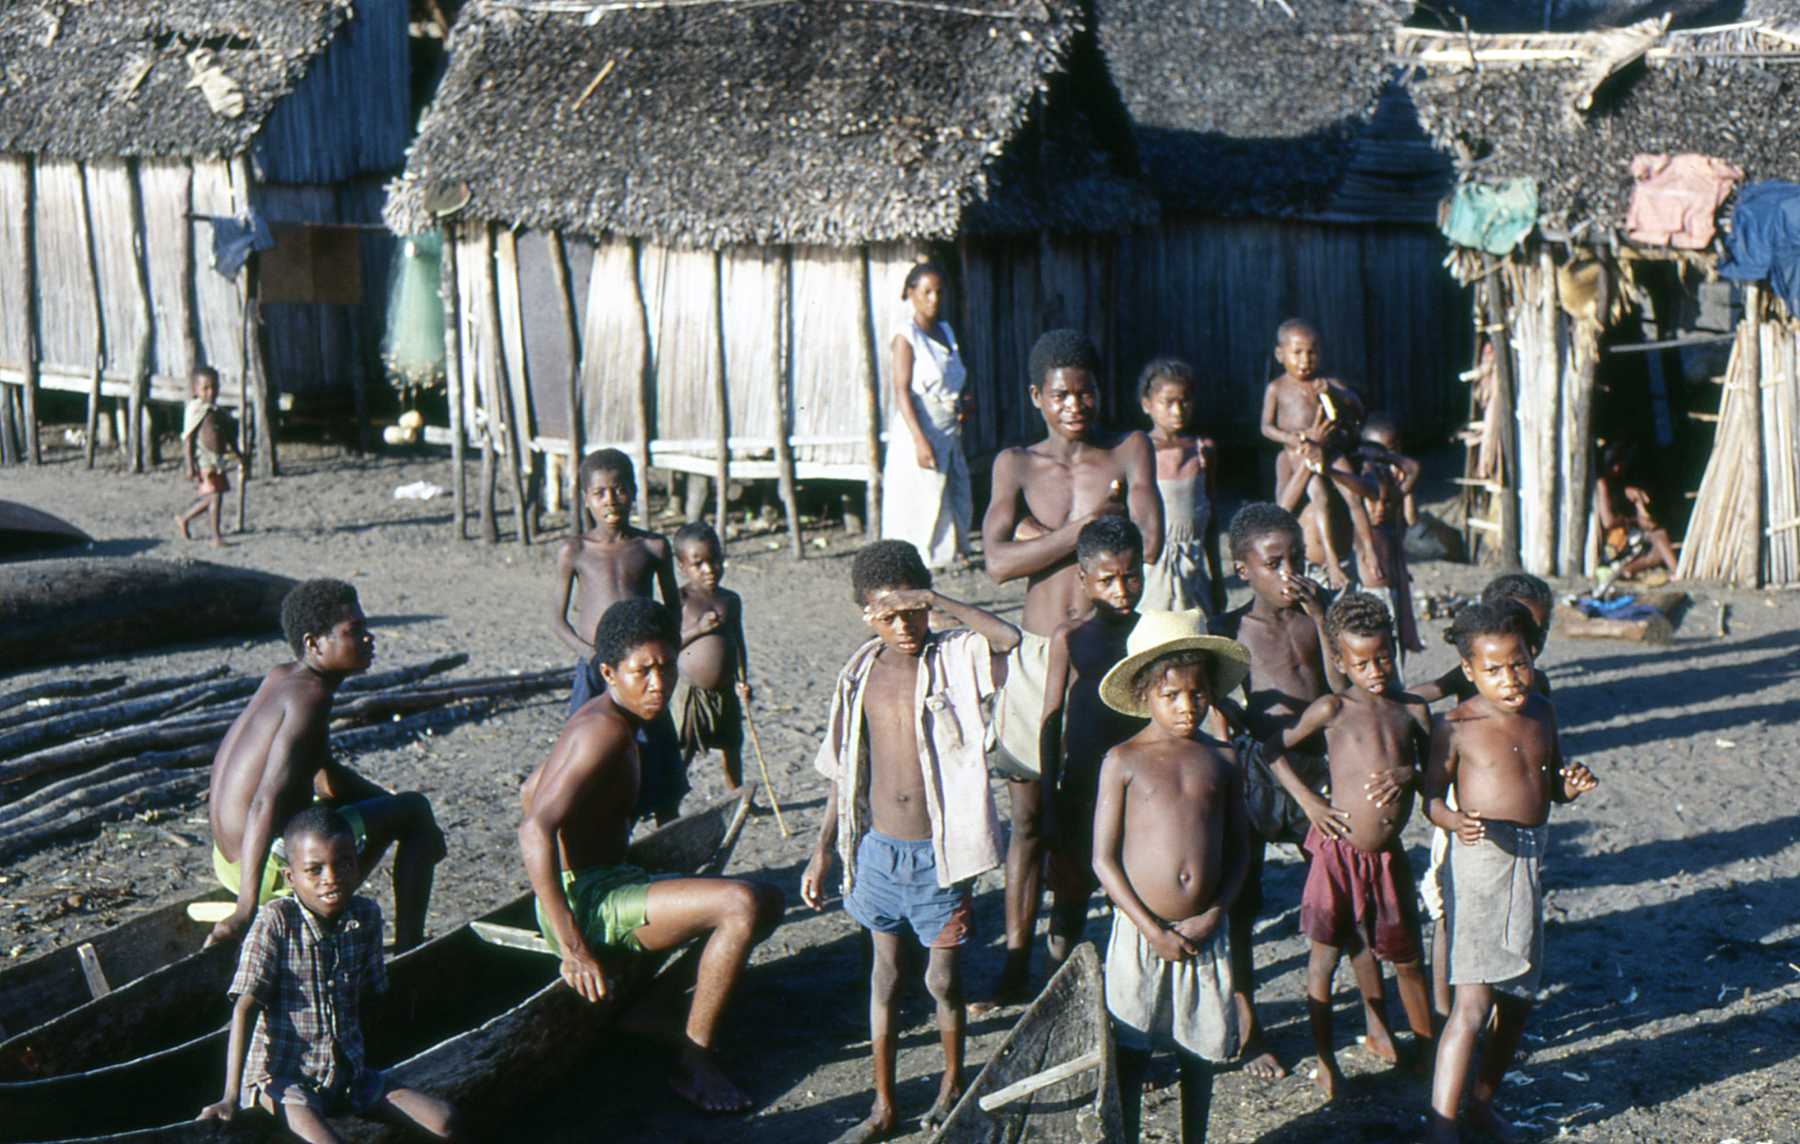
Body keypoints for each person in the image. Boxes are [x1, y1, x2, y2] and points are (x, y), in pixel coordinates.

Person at [519, 598, 785, 1114]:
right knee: (741, 905)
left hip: (605, 880)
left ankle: (653, 1011)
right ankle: (694, 1062)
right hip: (589, 904)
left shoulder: (600, 718)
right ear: (608, 673)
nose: (659, 684)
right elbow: (533, 828)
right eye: (643, 671)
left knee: (769, 901)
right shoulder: (603, 732)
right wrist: (573, 947)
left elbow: (532, 789)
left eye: (667, 667)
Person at [800, 541, 1020, 1142]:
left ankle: (951, 1083)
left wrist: (937, 598)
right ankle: (883, 1104)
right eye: (888, 614)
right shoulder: (859, 674)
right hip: (877, 852)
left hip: (940, 858)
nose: (904, 626)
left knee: (943, 982)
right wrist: (822, 849)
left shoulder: (954, 656)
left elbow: (1007, 639)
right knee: (886, 977)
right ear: (866, 614)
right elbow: (844, 771)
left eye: (913, 611)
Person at [979, 328, 1161, 1006]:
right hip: (1034, 658)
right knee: (1029, 820)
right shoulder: (1016, 465)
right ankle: (1014, 963)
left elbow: (1148, 540)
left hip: (1109, 655)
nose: (1074, 405)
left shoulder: (1128, 448)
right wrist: (1084, 530)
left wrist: (1040, 540)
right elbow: (997, 564)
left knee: (1094, 814)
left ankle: (1074, 959)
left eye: (1085, 392)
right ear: (1037, 397)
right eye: (1060, 395)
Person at [1424, 600, 1597, 1143]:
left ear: (1533, 656)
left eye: (1518, 663)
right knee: (1473, 1004)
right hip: (1480, 864)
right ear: (1469, 670)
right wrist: (1453, 820)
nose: (1510, 679)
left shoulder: (1543, 710)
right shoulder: (1456, 726)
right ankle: (1441, 1127)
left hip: (1529, 860)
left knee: (1519, 998)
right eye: (1494, 669)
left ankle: (1480, 1103)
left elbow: (1550, 782)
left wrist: (1569, 786)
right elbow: (1430, 798)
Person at [206, 579, 445, 952]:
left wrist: (388, 805)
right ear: (314, 643)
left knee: (402, 811)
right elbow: (265, 801)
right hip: (264, 866)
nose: (369, 638)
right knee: (414, 810)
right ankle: (410, 949)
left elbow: (326, 776)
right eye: (354, 630)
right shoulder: (311, 699)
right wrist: (245, 909)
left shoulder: (282, 676)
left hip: (227, 858)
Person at [198, 807, 459, 1141]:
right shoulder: (276, 922)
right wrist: (230, 1097)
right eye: (314, 870)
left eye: (344, 864)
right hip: (284, 1081)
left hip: (348, 1076)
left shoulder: (365, 916)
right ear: (291, 877)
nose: (331, 878)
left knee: (446, 1120)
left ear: (357, 865)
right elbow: (244, 1008)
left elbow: (372, 997)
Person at [1089, 610, 1251, 1143]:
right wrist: (1151, 929)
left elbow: (1241, 850)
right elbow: (1103, 860)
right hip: (1141, 933)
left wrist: (1214, 914)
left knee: (1199, 1051)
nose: (1187, 706)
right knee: (1131, 1047)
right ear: (1144, 694)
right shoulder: (1124, 760)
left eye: (1198, 694)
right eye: (1171, 695)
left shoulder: (1222, 758)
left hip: (1205, 932)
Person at [1263, 593, 1434, 1098]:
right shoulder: (1333, 709)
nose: (1375, 671)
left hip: (1387, 856)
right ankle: (1326, 1063)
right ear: (1340, 662)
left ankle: (1428, 1054)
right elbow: (1272, 749)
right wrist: (1309, 802)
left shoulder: (1412, 711)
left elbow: (1437, 774)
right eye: (1361, 663)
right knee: (1325, 958)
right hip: (1336, 853)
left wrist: (1410, 772)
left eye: (1383, 658)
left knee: (1407, 957)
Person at [1209, 503, 1345, 1079]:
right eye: (1274, 563)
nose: (1291, 573)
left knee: (1343, 890)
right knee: (1242, 903)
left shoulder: (1321, 613)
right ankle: (1249, 1026)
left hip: (1321, 768)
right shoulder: (1229, 633)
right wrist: (1303, 797)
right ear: (1244, 570)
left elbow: (1343, 691)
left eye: (1298, 559)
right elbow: (1243, 728)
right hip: (1260, 775)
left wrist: (1321, 619)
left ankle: (1364, 1015)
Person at [1413, 573, 1555, 1017]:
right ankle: (1445, 1010)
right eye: (1520, 622)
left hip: (1522, 837)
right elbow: (1422, 698)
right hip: (1468, 819)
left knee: (1513, 929)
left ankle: (1486, 1014)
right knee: (1449, 913)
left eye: (1535, 633)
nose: (1509, 675)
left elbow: (1547, 765)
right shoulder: (1465, 700)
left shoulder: (1537, 692)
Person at [551, 448, 687, 822]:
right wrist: (593, 657)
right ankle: (592, 830)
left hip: (642, 670)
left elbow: (672, 608)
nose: (610, 500)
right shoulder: (574, 550)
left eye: (620, 489)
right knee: (587, 750)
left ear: (634, 492)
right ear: (586, 499)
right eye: (600, 493)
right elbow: (557, 620)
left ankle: (667, 828)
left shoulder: (652, 547)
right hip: (596, 669)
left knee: (658, 750)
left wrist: (667, 648)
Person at [1038, 517, 1146, 975]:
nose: (1121, 591)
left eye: (1131, 576)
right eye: (1107, 581)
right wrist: (1049, 799)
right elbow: (1051, 719)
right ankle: (1058, 988)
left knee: (1138, 893)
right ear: (1083, 580)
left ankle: (1132, 989)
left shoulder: (1152, 635)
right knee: (1070, 899)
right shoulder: (1070, 638)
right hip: (1081, 786)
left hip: (1142, 789)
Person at [1258, 319, 1373, 588]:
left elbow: (1358, 407)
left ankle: (1368, 549)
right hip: (1299, 452)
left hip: (1329, 450)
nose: (1305, 360)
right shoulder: (1277, 388)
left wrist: (1336, 392)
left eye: (1312, 352)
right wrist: (1292, 438)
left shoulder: (1326, 383)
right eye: (1297, 352)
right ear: (1280, 354)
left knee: (1354, 495)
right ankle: (1331, 561)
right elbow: (1266, 427)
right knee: (1319, 496)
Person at [881, 261, 973, 570]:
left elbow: (954, 379)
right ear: (911, 294)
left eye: (939, 292)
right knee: (922, 495)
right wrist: (920, 441)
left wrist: (964, 401)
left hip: (949, 427)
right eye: (926, 292)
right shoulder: (906, 336)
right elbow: (902, 392)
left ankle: (952, 554)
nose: (934, 299)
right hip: (920, 427)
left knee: (952, 489)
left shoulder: (945, 332)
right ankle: (919, 561)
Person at [1137, 358, 1225, 616]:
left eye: (1184, 401)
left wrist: (1217, 578)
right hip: (1152, 572)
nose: (1178, 410)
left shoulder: (1202, 451)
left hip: (1193, 569)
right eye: (1168, 402)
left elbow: (1211, 519)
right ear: (1147, 405)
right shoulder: (1139, 452)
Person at [671, 522, 751, 792]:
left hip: (726, 691)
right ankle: (669, 801)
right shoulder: (680, 600)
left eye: (715, 559)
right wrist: (699, 629)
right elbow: (669, 644)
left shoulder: (730, 600)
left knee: (732, 746)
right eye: (698, 564)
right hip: (691, 693)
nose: (710, 569)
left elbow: (738, 642)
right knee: (683, 748)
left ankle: (737, 796)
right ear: (682, 567)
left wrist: (742, 679)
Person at [1341, 414, 1425, 654]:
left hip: (1394, 572)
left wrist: (1388, 459)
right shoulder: (1361, 486)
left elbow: (1410, 518)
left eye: (1395, 449)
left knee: (1395, 641)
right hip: (1368, 581)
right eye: (1383, 450)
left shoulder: (1391, 486)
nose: (1389, 456)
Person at [1594, 441, 1680, 582]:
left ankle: (1626, 570)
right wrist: (1634, 521)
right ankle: (1678, 574)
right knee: (1658, 534)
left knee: (1658, 550)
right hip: (1612, 543)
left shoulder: (1619, 483)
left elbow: (1643, 515)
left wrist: (1639, 507)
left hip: (1626, 534)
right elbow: (1608, 522)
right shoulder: (1602, 484)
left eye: (1620, 463)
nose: (1617, 468)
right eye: (1613, 464)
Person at [177, 365, 240, 547]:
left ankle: (184, 518)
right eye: (205, 388)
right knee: (215, 497)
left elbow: (228, 436)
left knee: (213, 498)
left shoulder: (216, 412)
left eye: (214, 387)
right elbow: (188, 439)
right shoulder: (195, 410)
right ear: (196, 390)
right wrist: (190, 465)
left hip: (217, 460)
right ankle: (215, 537)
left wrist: (238, 453)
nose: (210, 392)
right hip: (204, 460)